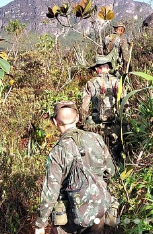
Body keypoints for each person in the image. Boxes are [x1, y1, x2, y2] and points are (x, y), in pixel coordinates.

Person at [34, 100, 115, 234]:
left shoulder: (58, 151)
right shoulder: (96, 139)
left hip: (72, 217)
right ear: (77, 117)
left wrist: (40, 224)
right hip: (98, 211)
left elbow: (50, 192)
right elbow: (110, 172)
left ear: (55, 122)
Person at [81, 56, 123, 157]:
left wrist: (82, 122)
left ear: (96, 68)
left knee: (98, 152)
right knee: (115, 151)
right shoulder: (117, 82)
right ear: (108, 68)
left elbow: (84, 106)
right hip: (114, 122)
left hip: (96, 124)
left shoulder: (91, 83)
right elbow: (124, 102)